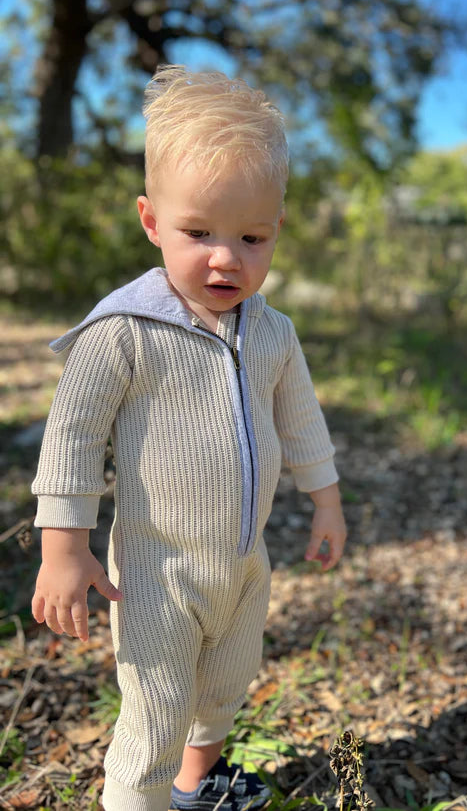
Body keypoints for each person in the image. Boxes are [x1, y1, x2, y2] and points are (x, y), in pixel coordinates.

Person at [30, 65, 346, 811]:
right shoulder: (124, 332)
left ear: (277, 230)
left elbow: (301, 421)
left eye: (251, 236)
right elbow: (71, 437)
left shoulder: (272, 332)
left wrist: (325, 501)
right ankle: (136, 800)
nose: (225, 257)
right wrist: (63, 548)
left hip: (242, 563)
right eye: (198, 232)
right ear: (151, 221)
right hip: (156, 572)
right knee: (158, 707)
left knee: (225, 688)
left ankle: (193, 786)